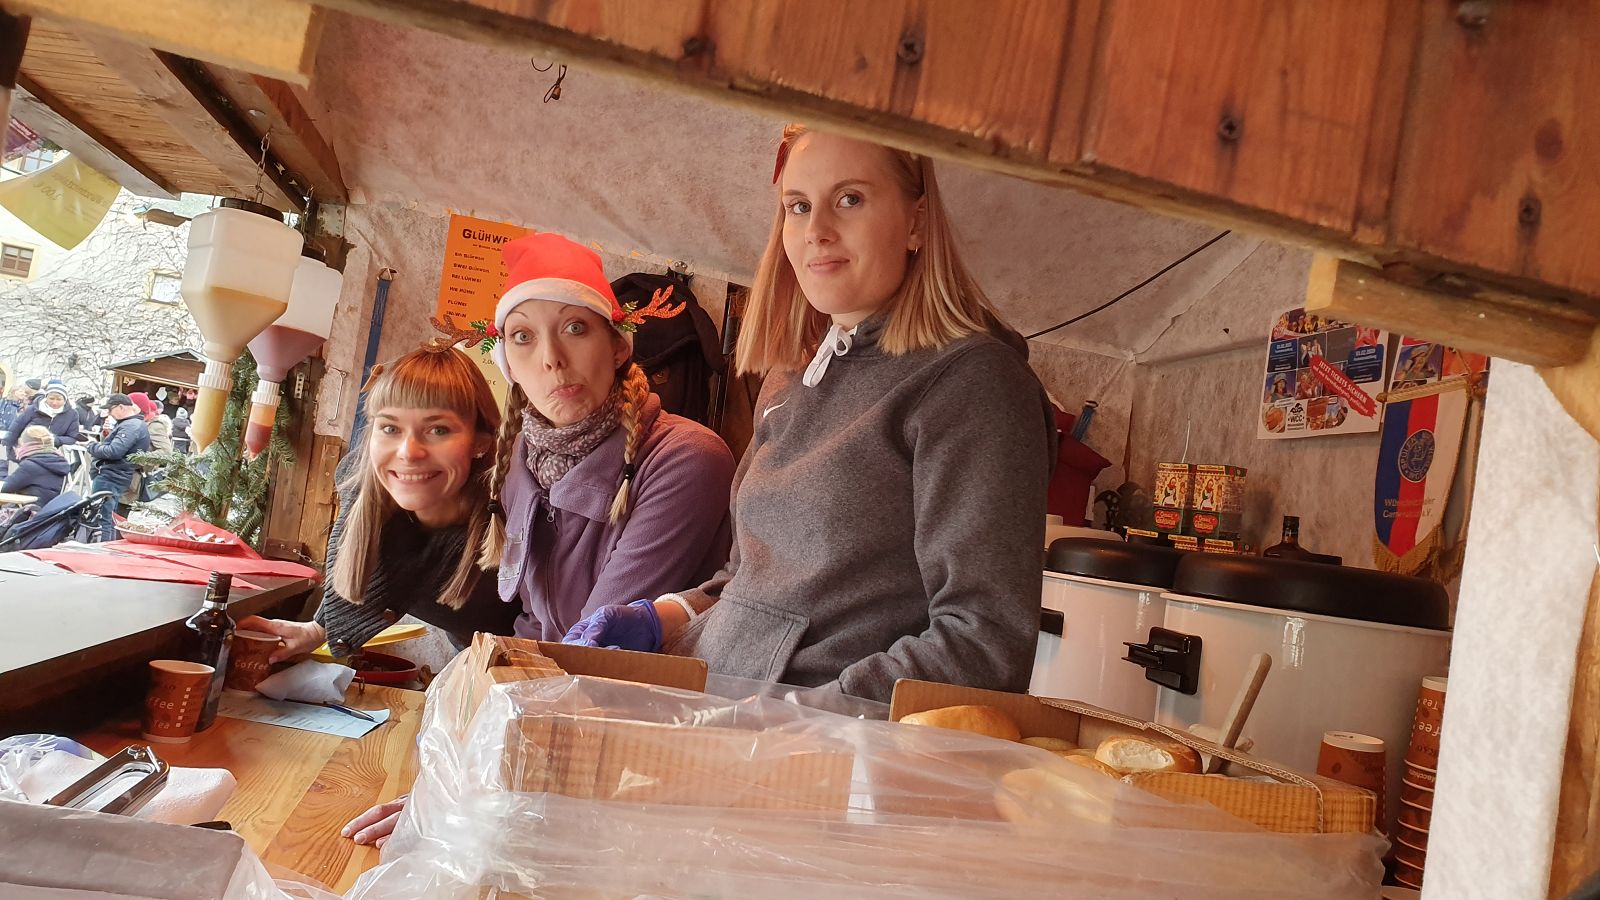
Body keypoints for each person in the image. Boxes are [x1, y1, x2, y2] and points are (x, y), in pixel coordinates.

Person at [565, 126, 1056, 703]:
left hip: (821, 747)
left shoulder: (973, 383)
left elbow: (983, 643)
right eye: (798, 206)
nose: (817, 230)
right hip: (716, 712)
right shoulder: (792, 376)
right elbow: (748, 583)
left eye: (850, 198)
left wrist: (800, 720)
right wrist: (665, 616)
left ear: (917, 222)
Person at [477, 232, 736, 642]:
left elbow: (598, 642)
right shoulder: (519, 463)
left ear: (618, 346)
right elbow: (533, 621)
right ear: (506, 361)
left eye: (574, 327)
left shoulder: (686, 459)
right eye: (523, 336)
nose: (551, 359)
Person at [237, 342, 519, 662]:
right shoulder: (361, 489)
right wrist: (316, 630)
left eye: (438, 429)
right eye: (390, 428)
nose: (408, 452)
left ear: (481, 443)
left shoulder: (518, 515)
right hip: (477, 655)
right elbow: (363, 568)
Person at [86, 394, 150, 540]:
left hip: (111, 475)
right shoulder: (133, 424)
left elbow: (114, 451)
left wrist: (92, 446)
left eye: (110, 409)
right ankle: (105, 546)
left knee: (103, 518)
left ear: (121, 407)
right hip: (117, 475)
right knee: (108, 518)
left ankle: (101, 548)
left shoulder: (130, 426)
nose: (109, 413)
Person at [5, 380, 82, 461]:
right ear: (46, 397)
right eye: (51, 398)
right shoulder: (33, 409)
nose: (54, 402)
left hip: (52, 455)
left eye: (59, 399)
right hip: (27, 451)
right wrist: (9, 447)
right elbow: (16, 427)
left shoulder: (72, 414)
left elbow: (72, 437)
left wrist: (52, 439)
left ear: (65, 400)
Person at [1, 425, 69, 506]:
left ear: (26, 445)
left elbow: (5, 487)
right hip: (47, 510)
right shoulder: (59, 462)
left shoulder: (30, 466)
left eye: (20, 444)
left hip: (28, 511)